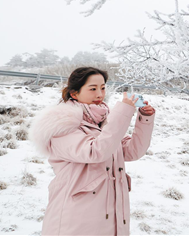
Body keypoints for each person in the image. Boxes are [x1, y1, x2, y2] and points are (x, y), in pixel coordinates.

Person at [29, 67, 156, 236]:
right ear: (74, 94)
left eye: (103, 88)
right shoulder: (61, 125)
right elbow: (95, 152)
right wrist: (123, 112)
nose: (100, 94)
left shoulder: (104, 122)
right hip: (76, 217)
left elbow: (133, 151)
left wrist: (144, 119)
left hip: (110, 214)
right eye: (93, 89)